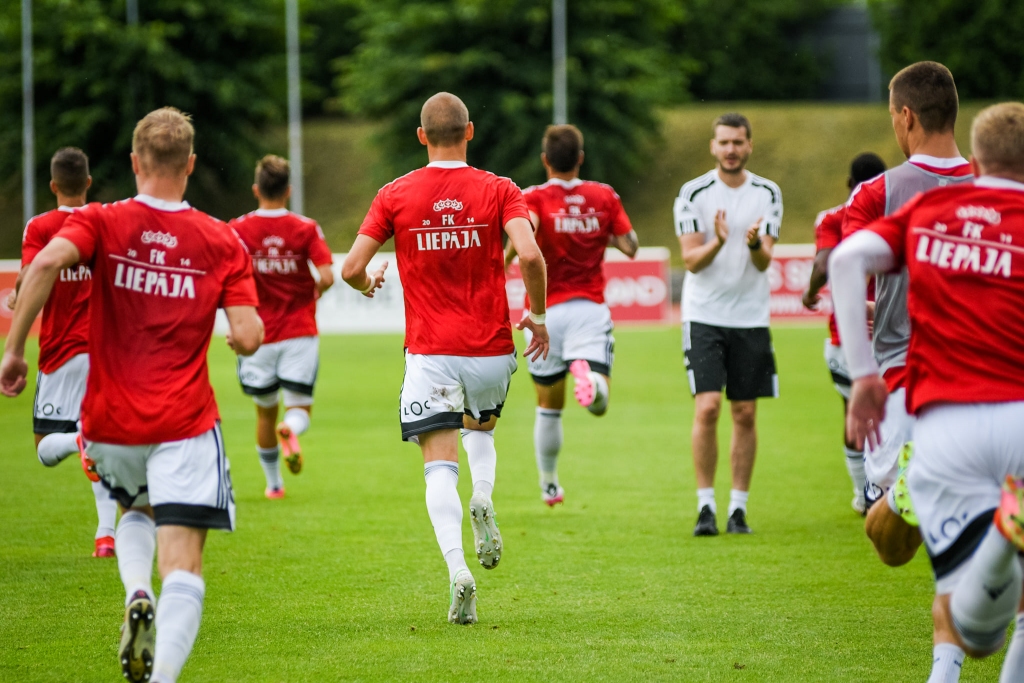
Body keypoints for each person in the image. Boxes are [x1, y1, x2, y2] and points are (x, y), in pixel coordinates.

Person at [0, 107, 263, 683]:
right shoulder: (221, 240)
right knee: (187, 566)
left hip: (111, 420)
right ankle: (162, 673)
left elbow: (44, 263)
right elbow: (247, 335)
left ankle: (137, 590)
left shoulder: (101, 221)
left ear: (135, 162)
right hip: (185, 421)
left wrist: (16, 350)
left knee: (133, 509)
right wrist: (232, 333)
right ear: (190, 164)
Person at [831, 101, 1024, 683]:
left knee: (961, 613)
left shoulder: (933, 207)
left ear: (979, 156)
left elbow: (847, 258)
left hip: (946, 423)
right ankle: (1004, 529)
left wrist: (863, 375)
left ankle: (992, 541)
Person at [341, 92, 549, 625]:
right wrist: (539, 316)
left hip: (431, 352)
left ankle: (458, 571)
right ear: (470, 131)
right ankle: (483, 494)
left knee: (437, 467)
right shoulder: (500, 189)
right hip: (490, 349)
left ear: (420, 136)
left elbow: (350, 269)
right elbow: (529, 253)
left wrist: (370, 282)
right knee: (480, 431)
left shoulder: (395, 194)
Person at [841, 61, 972, 577]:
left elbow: (849, 274)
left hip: (902, 376)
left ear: (906, 117)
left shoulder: (877, 192)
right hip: (981, 378)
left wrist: (861, 367)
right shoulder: (995, 184)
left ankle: (911, 486)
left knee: (890, 544)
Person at [511, 124, 638, 506]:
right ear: (580, 158)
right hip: (588, 310)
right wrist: (598, 229)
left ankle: (549, 483)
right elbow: (631, 246)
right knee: (599, 405)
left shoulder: (531, 197)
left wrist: (501, 262)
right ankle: (591, 382)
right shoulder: (603, 195)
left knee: (548, 407)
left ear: (545, 160)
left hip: (544, 313)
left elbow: (524, 239)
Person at [673, 112, 782, 536]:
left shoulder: (768, 193)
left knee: (745, 413)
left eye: (738, 142)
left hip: (751, 316)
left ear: (749, 145)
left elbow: (764, 259)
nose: (731, 150)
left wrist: (753, 243)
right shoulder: (693, 193)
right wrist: (719, 239)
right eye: (724, 142)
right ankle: (705, 506)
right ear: (713, 147)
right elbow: (691, 263)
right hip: (704, 315)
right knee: (709, 406)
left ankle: (738, 509)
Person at [8, 147, 119, 557]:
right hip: (107, 351)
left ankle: (79, 442)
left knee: (45, 448)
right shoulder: (104, 222)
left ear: (53, 185)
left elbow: (34, 276)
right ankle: (106, 535)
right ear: (88, 183)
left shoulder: (40, 227)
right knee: (102, 442)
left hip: (61, 352)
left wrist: (17, 297)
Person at [230, 155, 334, 498]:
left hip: (256, 334)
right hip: (299, 332)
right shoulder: (305, 228)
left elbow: (224, 280)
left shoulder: (238, 229)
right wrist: (311, 292)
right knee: (299, 407)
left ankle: (274, 485)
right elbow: (327, 276)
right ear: (288, 191)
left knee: (264, 411)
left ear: (256, 189)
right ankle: (289, 428)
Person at [802, 152, 886, 515]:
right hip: (896, 332)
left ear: (850, 184)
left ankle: (864, 494)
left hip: (847, 334)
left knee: (852, 412)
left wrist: (809, 292)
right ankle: (893, 490)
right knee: (899, 411)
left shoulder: (834, 217)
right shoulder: (899, 211)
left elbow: (823, 263)